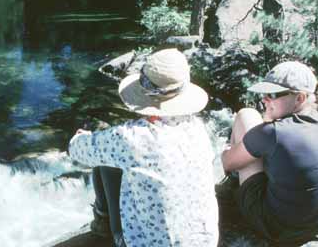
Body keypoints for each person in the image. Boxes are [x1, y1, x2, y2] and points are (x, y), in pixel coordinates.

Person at [68, 48, 219, 247]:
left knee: (106, 161)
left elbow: (76, 151)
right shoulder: (200, 130)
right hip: (204, 243)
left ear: (144, 95)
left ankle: (102, 222)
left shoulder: (130, 137)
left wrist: (83, 137)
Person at [220, 61, 318, 246]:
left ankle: (231, 189)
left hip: (278, 229)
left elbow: (227, 163)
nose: (264, 100)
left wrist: (228, 151)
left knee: (246, 115)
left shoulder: (274, 132)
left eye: (273, 95)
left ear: (300, 98)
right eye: (264, 94)